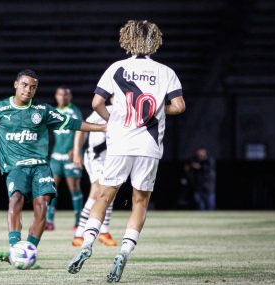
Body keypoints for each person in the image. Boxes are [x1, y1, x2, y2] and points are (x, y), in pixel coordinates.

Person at [68, 20, 186, 283]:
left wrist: (112, 120)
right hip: (149, 145)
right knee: (139, 202)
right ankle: (124, 251)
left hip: (120, 142)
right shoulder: (165, 71)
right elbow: (179, 106)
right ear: (155, 41)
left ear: (128, 40)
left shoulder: (117, 68)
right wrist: (156, 111)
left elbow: (97, 102)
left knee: (103, 196)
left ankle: (87, 242)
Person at [0, 69, 105, 263]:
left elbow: (73, 123)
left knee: (42, 206)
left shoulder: (43, 110)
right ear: (15, 84)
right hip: (15, 166)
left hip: (40, 165)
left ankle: (28, 250)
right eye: (25, 85)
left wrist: (104, 127)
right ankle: (15, 249)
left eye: (33, 87)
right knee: (16, 199)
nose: (28, 90)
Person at [71, 97, 117, 247]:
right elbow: (81, 128)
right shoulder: (106, 110)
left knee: (109, 193)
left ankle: (97, 233)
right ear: (112, 98)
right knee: (98, 192)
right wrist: (77, 151)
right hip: (96, 157)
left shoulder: (125, 112)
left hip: (111, 159)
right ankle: (83, 234)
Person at [46, 86, 84, 231]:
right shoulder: (53, 112)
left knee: (74, 188)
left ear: (70, 97)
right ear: (56, 96)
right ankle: (49, 221)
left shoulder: (74, 112)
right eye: (60, 94)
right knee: (51, 188)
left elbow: (82, 131)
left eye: (66, 95)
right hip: (56, 156)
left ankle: (78, 222)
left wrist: (76, 150)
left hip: (70, 156)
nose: (63, 97)